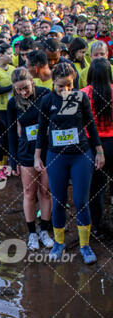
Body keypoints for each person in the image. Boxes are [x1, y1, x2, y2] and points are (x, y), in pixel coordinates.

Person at [34, 62, 105, 264]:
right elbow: (41, 130)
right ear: (53, 83)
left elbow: (90, 123)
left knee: (81, 201)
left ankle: (85, 245)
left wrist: (99, 151)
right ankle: (58, 242)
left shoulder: (81, 97)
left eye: (69, 85)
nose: (65, 90)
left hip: (81, 154)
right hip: (56, 156)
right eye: (60, 86)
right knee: (58, 201)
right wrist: (37, 156)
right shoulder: (47, 101)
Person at [7, 68, 53, 250]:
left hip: (48, 149)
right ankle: (32, 232)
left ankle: (45, 229)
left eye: (25, 87)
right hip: (26, 151)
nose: (23, 92)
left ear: (32, 81)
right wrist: (13, 159)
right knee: (28, 192)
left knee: (45, 191)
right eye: (19, 89)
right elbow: (11, 132)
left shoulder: (45, 94)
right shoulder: (13, 104)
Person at [81, 58, 113, 234]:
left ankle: (97, 226)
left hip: (92, 145)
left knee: (96, 188)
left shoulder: (83, 93)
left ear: (90, 74)